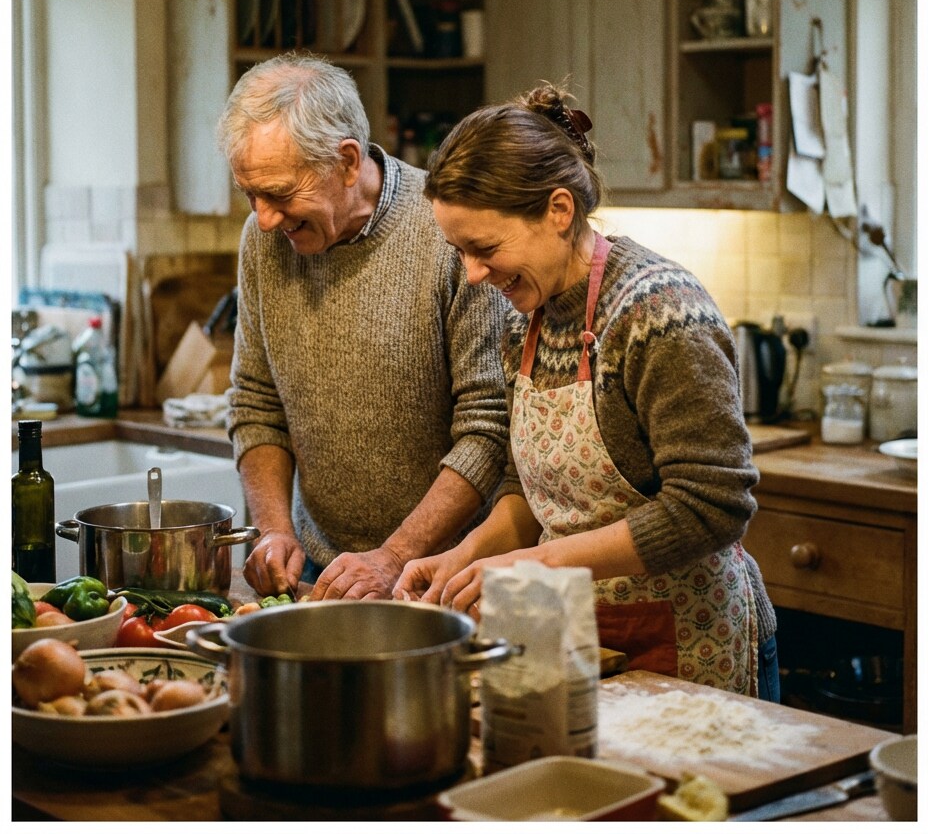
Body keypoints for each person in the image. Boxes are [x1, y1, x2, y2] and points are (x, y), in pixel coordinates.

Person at [394, 84, 779, 701]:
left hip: (688, 641)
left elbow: (714, 504)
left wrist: (535, 566)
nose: (472, 274)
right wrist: (464, 560)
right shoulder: (527, 318)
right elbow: (535, 491)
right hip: (575, 634)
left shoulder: (658, 312)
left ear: (559, 210)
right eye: (459, 251)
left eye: (485, 248)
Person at [215, 54, 510, 601]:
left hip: (446, 580)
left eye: (279, 193)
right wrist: (276, 529)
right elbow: (256, 405)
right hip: (319, 579)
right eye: (249, 195)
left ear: (347, 162)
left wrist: (394, 556)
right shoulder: (263, 241)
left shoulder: (447, 235)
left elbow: (488, 430)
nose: (264, 217)